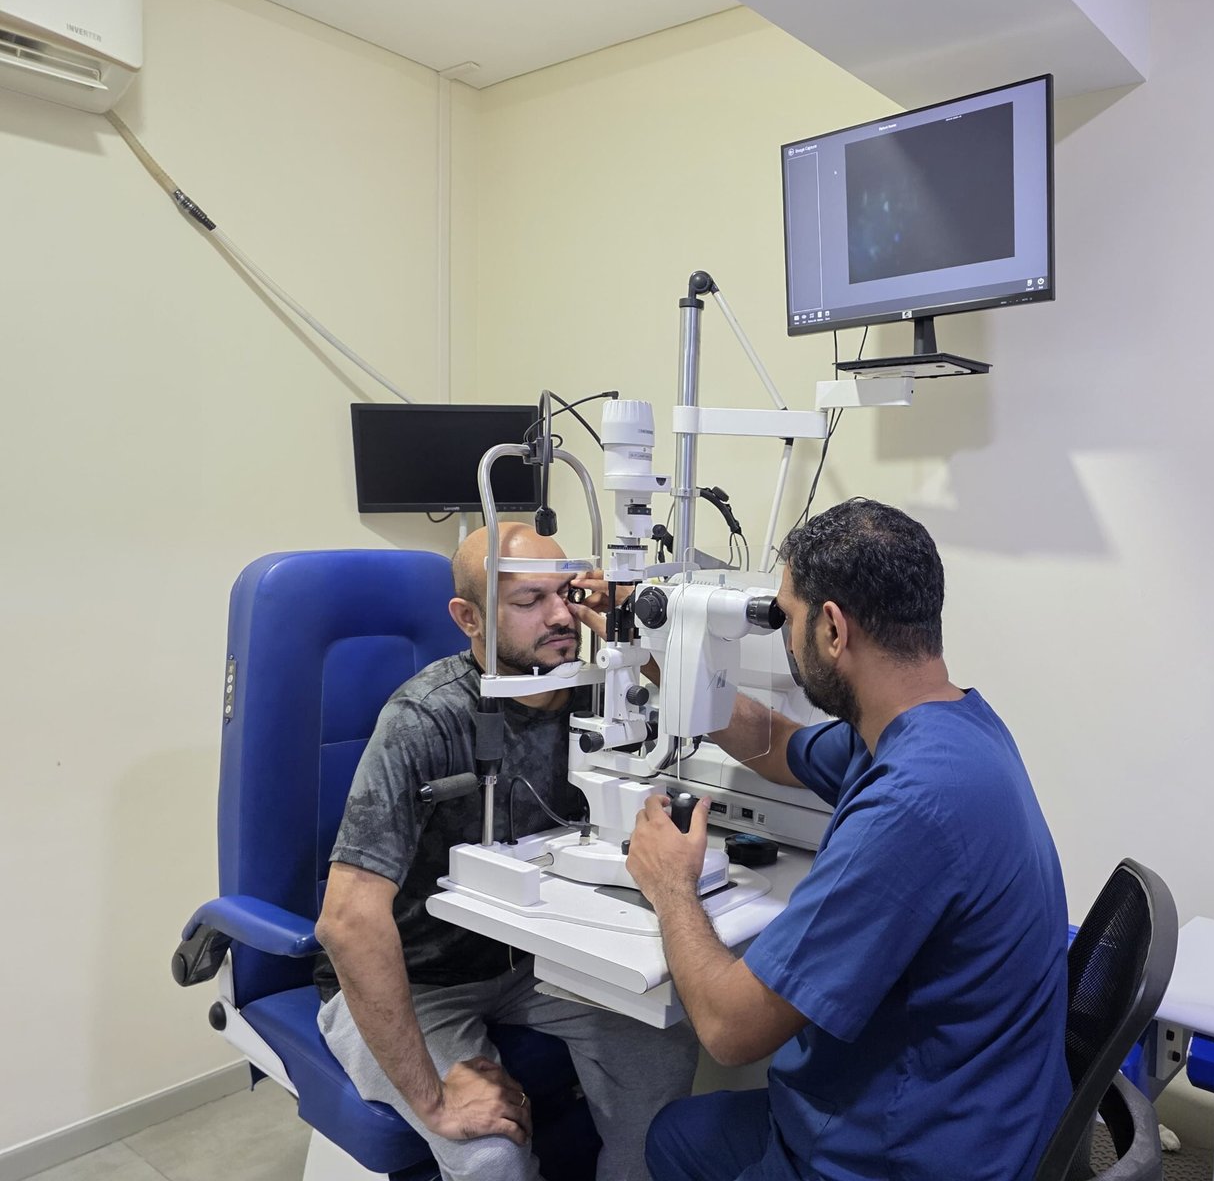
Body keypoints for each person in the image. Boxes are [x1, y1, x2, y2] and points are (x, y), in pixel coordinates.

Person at [629, 498, 1072, 1181]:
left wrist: (670, 884)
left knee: (676, 1135)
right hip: (979, 1104)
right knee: (684, 1131)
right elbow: (780, 745)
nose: (784, 636)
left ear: (833, 628)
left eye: (787, 617)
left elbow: (728, 1028)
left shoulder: (912, 805)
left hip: (912, 1155)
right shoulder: (946, 726)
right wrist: (658, 659)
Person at [314, 522, 697, 1181]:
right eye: (529, 601)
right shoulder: (426, 719)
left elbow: (688, 704)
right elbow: (347, 921)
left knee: (667, 1048)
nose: (560, 617)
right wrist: (435, 1102)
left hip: (533, 963)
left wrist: (627, 636)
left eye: (567, 594)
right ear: (469, 618)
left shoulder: (599, 692)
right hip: (418, 979)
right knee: (491, 1158)